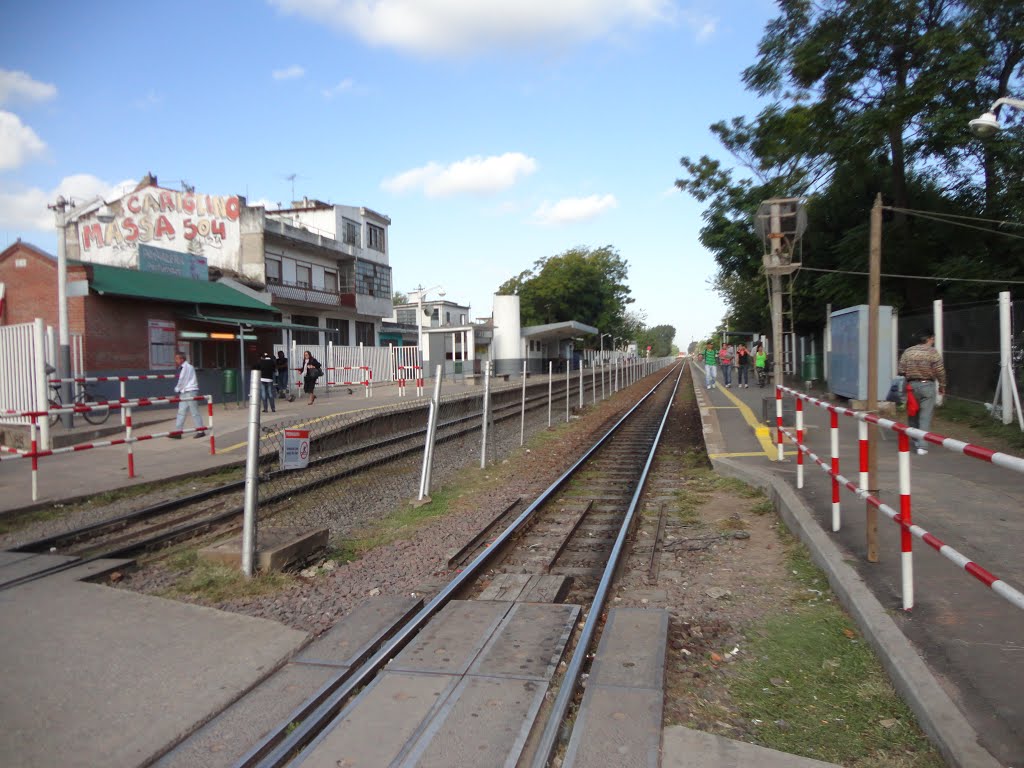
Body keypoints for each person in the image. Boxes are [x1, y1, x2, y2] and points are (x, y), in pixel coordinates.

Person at [898, 328, 947, 455]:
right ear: (929, 339)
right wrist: (942, 385)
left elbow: (901, 370)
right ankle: (922, 446)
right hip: (928, 386)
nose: (933, 341)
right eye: (933, 339)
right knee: (925, 416)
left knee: (912, 412)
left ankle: (915, 438)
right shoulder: (933, 352)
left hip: (911, 386)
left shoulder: (908, 352)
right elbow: (940, 371)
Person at [171, 352, 204, 438]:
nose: (176, 360)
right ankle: (178, 432)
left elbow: (183, 380)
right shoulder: (184, 367)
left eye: (177, 359)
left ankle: (201, 430)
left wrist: (177, 389)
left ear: (182, 359)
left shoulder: (187, 367)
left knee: (194, 412)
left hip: (190, 391)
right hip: (185, 392)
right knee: (181, 412)